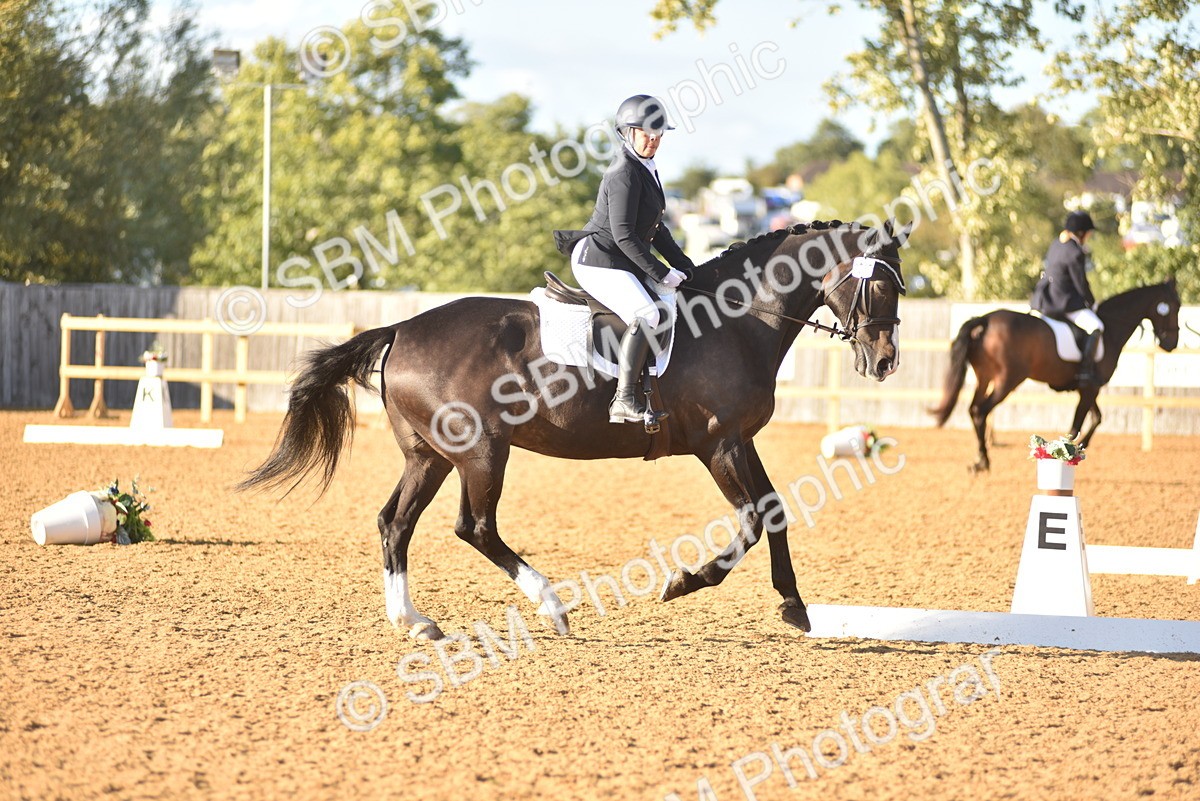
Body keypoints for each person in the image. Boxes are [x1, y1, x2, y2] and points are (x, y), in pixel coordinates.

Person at [553, 95, 696, 424]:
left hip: (621, 259)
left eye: (659, 133)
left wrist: (686, 265)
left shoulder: (648, 168)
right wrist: (661, 272)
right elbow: (624, 235)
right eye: (646, 132)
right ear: (627, 132)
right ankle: (624, 399)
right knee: (648, 313)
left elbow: (655, 229)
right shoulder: (623, 173)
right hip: (598, 260)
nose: (654, 139)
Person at [1030, 210, 1104, 387]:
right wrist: (1092, 303)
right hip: (1062, 302)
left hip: (1043, 299)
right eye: (1088, 233)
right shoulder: (1075, 252)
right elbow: (1080, 284)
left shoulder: (1055, 244)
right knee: (1097, 326)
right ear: (1081, 233)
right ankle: (1085, 372)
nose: (1088, 237)